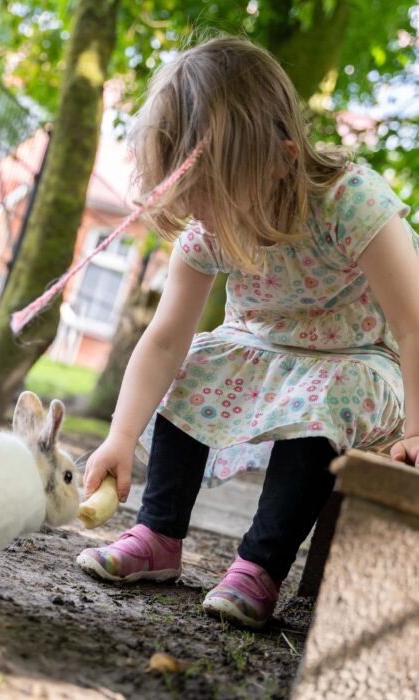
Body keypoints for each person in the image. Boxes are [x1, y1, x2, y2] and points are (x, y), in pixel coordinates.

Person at [76, 35, 419, 629]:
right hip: (256, 347)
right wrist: (122, 436)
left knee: (326, 395)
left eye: (213, 199)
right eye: (193, 200)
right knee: (194, 362)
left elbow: (414, 325)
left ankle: (259, 568)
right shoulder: (209, 220)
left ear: (282, 159)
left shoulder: (350, 202)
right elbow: (164, 339)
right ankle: (158, 535)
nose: (204, 217)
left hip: (358, 360)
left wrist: (418, 427)